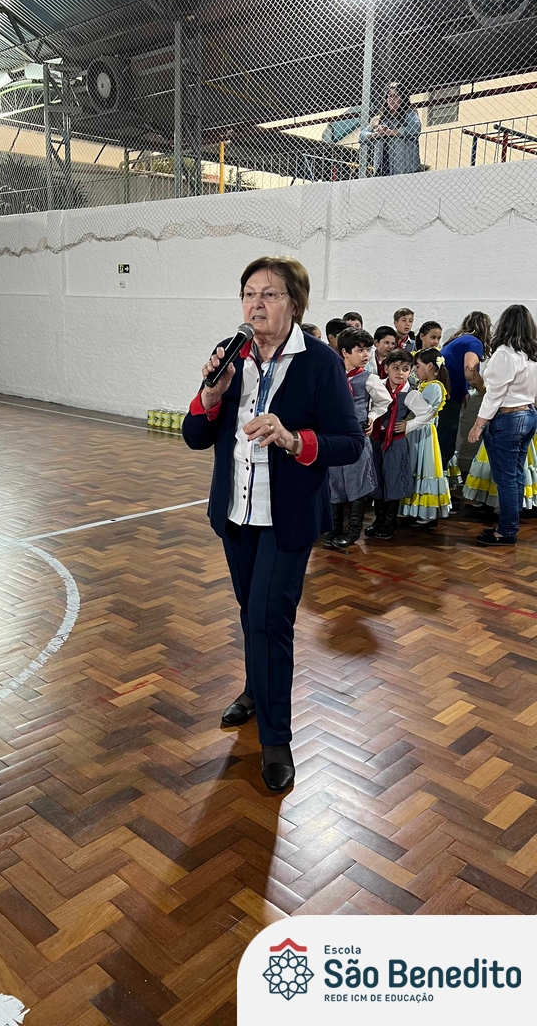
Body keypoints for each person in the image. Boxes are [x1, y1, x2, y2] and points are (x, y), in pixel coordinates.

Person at [182, 257, 364, 792]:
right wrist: (211, 396)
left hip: (286, 517)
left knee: (270, 619)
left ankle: (276, 738)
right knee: (250, 610)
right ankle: (255, 690)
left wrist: (291, 438)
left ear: (295, 304)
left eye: (270, 294)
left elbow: (350, 444)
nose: (256, 304)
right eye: (248, 293)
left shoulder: (320, 363)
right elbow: (195, 436)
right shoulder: (232, 353)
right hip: (236, 512)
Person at [467, 304, 537, 546]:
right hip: (528, 414)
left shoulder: (505, 353)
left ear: (504, 325)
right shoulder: (531, 354)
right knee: (515, 475)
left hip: (508, 418)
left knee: (506, 478)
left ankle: (506, 531)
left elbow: (494, 394)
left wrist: (478, 425)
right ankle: (508, 526)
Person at [325, 328, 391, 550]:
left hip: (357, 437)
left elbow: (384, 401)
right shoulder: (332, 375)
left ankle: (353, 531)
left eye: (367, 350)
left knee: (357, 481)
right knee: (334, 481)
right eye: (359, 350)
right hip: (333, 437)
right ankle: (334, 528)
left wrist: (371, 417)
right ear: (345, 352)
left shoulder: (369, 378)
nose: (365, 355)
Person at [366, 349, 434, 539]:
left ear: (410, 371)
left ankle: (389, 521)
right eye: (396, 368)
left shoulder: (410, 394)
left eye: (405, 369)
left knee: (393, 479)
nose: (400, 373)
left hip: (395, 443)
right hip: (375, 440)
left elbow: (427, 412)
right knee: (376, 479)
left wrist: (408, 425)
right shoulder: (378, 386)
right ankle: (378, 518)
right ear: (387, 368)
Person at [399, 348, 452, 525]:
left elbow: (424, 414)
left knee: (423, 468)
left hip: (423, 433)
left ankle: (426, 513)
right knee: (414, 467)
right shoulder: (424, 384)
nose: (415, 370)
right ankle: (413, 509)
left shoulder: (434, 387)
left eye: (418, 366)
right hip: (416, 432)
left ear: (429, 366)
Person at [438, 312, 491, 472]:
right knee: (446, 443)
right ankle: (439, 482)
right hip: (449, 398)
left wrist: (465, 391)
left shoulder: (456, 340)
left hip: (443, 394)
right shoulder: (474, 342)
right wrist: (484, 391)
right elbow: (470, 371)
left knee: (441, 440)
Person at [359, 82, 422, 177]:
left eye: (395, 96)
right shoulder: (379, 120)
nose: (391, 100)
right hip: (381, 170)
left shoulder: (410, 114)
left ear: (403, 98)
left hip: (404, 171)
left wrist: (391, 132)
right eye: (389, 96)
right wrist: (375, 134)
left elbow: (415, 129)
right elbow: (361, 136)